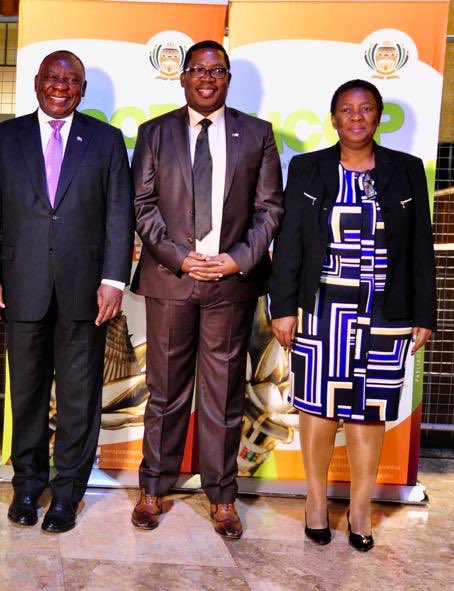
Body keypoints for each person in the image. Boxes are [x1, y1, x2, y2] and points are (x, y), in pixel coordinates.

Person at [269, 79, 436, 551]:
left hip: (386, 310)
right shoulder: (308, 168)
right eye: (347, 109)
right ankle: (316, 502)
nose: (356, 117)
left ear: (378, 117)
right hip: (322, 309)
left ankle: (361, 510)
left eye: (365, 109)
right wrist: (283, 307)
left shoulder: (405, 170)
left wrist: (424, 312)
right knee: (318, 408)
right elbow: (290, 243)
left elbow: (420, 245)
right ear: (334, 118)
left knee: (370, 409)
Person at [0, 50, 135, 534]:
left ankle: (67, 493)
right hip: (20, 286)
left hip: (86, 290)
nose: (60, 86)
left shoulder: (106, 140)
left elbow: (119, 214)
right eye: (52, 77)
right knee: (26, 392)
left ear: (82, 89)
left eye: (71, 79)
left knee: (79, 398)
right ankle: (27, 486)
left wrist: (114, 280)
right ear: (36, 82)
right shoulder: (5, 137)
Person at [130, 40, 283, 539]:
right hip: (172, 280)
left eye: (217, 70)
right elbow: (142, 204)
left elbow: (269, 209)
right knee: (165, 393)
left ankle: (222, 497)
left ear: (228, 78)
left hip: (230, 284)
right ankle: (154, 488)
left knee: (223, 395)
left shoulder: (256, 134)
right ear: (183, 77)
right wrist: (179, 256)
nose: (207, 78)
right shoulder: (154, 133)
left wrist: (237, 259)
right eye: (198, 69)